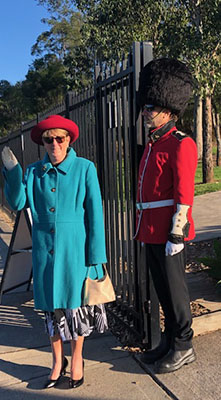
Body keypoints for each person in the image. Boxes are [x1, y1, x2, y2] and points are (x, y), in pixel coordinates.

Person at [1, 114, 108, 389]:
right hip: (45, 252)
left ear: (69, 140)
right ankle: (57, 362)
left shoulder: (85, 168)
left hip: (75, 251)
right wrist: (13, 173)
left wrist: (96, 256)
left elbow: (95, 213)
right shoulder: (34, 171)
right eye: (49, 140)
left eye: (59, 138)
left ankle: (77, 360)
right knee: (52, 311)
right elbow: (18, 202)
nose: (54, 144)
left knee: (76, 310)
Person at [134, 58, 198, 373]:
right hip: (150, 229)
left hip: (169, 231)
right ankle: (169, 340)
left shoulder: (180, 143)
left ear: (169, 111)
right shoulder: (153, 144)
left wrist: (177, 232)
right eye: (146, 106)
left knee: (176, 291)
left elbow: (184, 193)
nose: (146, 111)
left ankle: (184, 344)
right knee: (162, 289)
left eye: (152, 107)